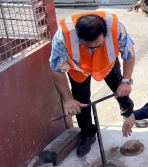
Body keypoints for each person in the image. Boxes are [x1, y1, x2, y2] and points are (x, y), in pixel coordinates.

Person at [49, 11, 141, 157]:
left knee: (120, 88)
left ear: (105, 34)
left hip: (108, 64)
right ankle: (87, 133)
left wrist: (126, 81)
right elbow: (56, 69)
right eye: (87, 46)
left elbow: (129, 54)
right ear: (79, 38)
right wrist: (68, 99)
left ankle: (129, 113)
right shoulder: (63, 36)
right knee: (80, 100)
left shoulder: (117, 29)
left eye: (98, 45)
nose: (93, 50)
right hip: (79, 69)